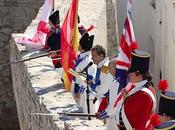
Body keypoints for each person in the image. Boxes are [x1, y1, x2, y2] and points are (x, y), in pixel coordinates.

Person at [114, 50, 156, 130]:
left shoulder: (144, 95)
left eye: (132, 73)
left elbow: (140, 124)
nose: (129, 75)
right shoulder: (138, 89)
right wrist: (125, 99)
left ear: (139, 76)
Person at [70, 32, 98, 114]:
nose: (78, 46)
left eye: (79, 44)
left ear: (83, 47)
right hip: (76, 83)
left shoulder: (87, 60)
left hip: (82, 88)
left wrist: (79, 91)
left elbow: (85, 77)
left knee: (84, 109)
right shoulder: (82, 56)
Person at [96, 58, 120, 130]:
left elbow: (113, 106)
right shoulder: (116, 80)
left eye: (110, 68)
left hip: (116, 118)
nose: (109, 71)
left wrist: (102, 114)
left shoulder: (116, 84)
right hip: (114, 117)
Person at [88, 45, 110, 114]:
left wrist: (92, 85)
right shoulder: (101, 65)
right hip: (103, 99)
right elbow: (100, 79)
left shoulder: (105, 68)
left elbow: (103, 89)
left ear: (101, 56)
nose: (91, 58)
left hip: (107, 101)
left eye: (94, 56)